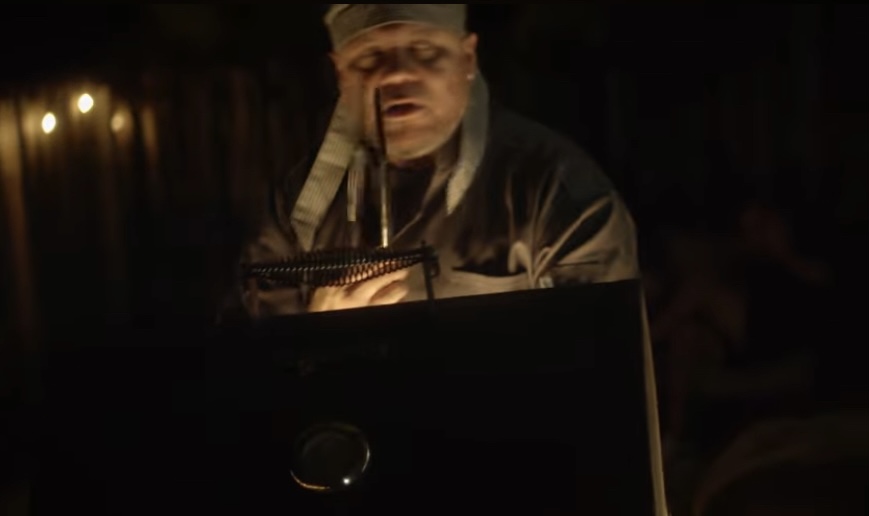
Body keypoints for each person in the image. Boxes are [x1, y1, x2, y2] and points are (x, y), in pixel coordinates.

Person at [234, 4, 639, 318]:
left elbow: (597, 366)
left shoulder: (553, 191)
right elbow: (256, 372)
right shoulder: (298, 209)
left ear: (467, 58)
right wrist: (317, 333)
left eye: (424, 50)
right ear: (341, 74)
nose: (395, 75)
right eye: (369, 57)